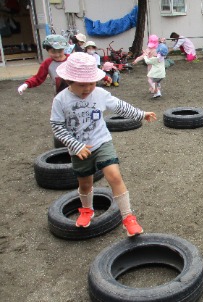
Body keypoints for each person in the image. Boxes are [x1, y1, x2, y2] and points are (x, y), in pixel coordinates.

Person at [50, 52, 157, 236]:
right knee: (85, 184)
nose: (88, 88)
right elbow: (57, 126)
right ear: (69, 81)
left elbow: (120, 106)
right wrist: (75, 146)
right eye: (82, 85)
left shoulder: (99, 94)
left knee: (114, 176)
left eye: (91, 83)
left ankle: (128, 217)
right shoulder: (61, 100)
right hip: (79, 148)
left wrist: (141, 114)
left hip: (101, 142)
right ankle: (87, 210)